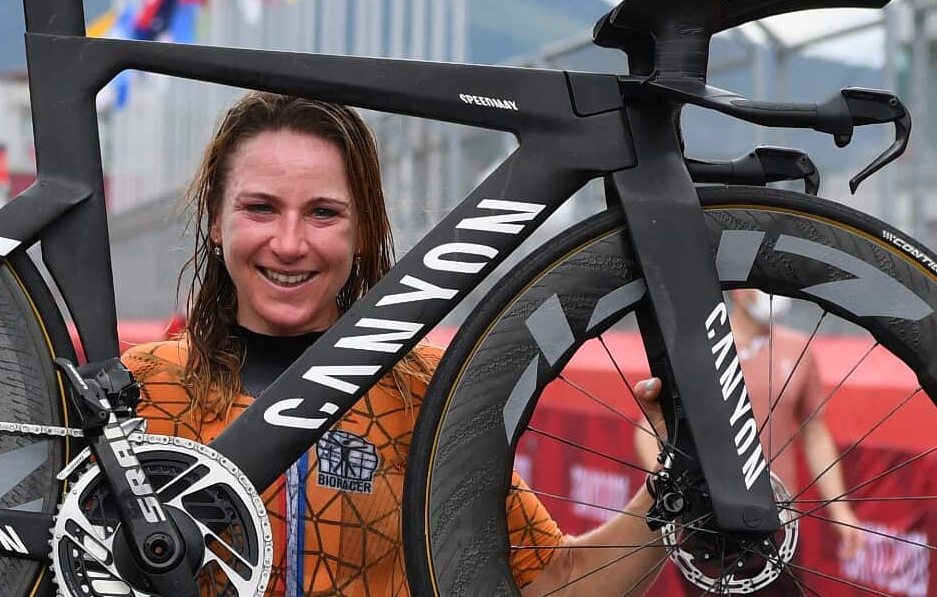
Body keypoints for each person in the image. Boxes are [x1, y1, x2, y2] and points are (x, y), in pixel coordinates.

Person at [121, 92, 669, 596]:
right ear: (216, 220)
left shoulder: (431, 390)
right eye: (260, 208)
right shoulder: (140, 389)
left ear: (364, 229)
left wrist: (671, 490)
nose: (289, 244)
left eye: (323, 213)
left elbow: (557, 580)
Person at [635, 289, 865, 594]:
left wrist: (841, 510)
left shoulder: (798, 350)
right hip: (706, 523)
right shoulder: (697, 350)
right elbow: (648, 430)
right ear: (738, 293)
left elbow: (815, 433)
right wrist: (672, 489)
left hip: (779, 524)